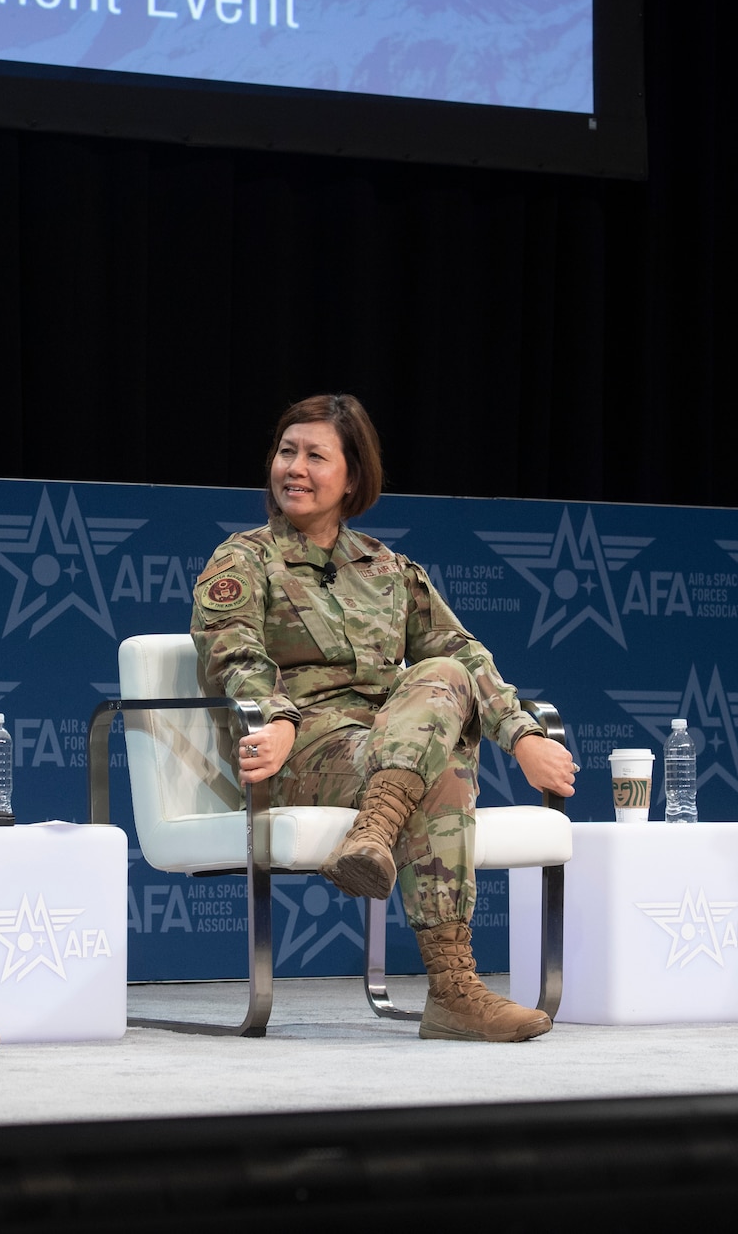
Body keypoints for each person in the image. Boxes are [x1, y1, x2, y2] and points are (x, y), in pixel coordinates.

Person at [191, 394, 577, 1042]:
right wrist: (278, 717)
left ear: (353, 476)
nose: (295, 467)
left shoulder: (389, 570)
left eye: (316, 455)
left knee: (445, 692)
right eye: (287, 452)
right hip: (299, 756)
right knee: (443, 753)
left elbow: (463, 653)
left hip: (381, 750)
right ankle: (453, 987)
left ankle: (380, 841)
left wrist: (524, 732)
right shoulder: (245, 559)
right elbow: (232, 650)